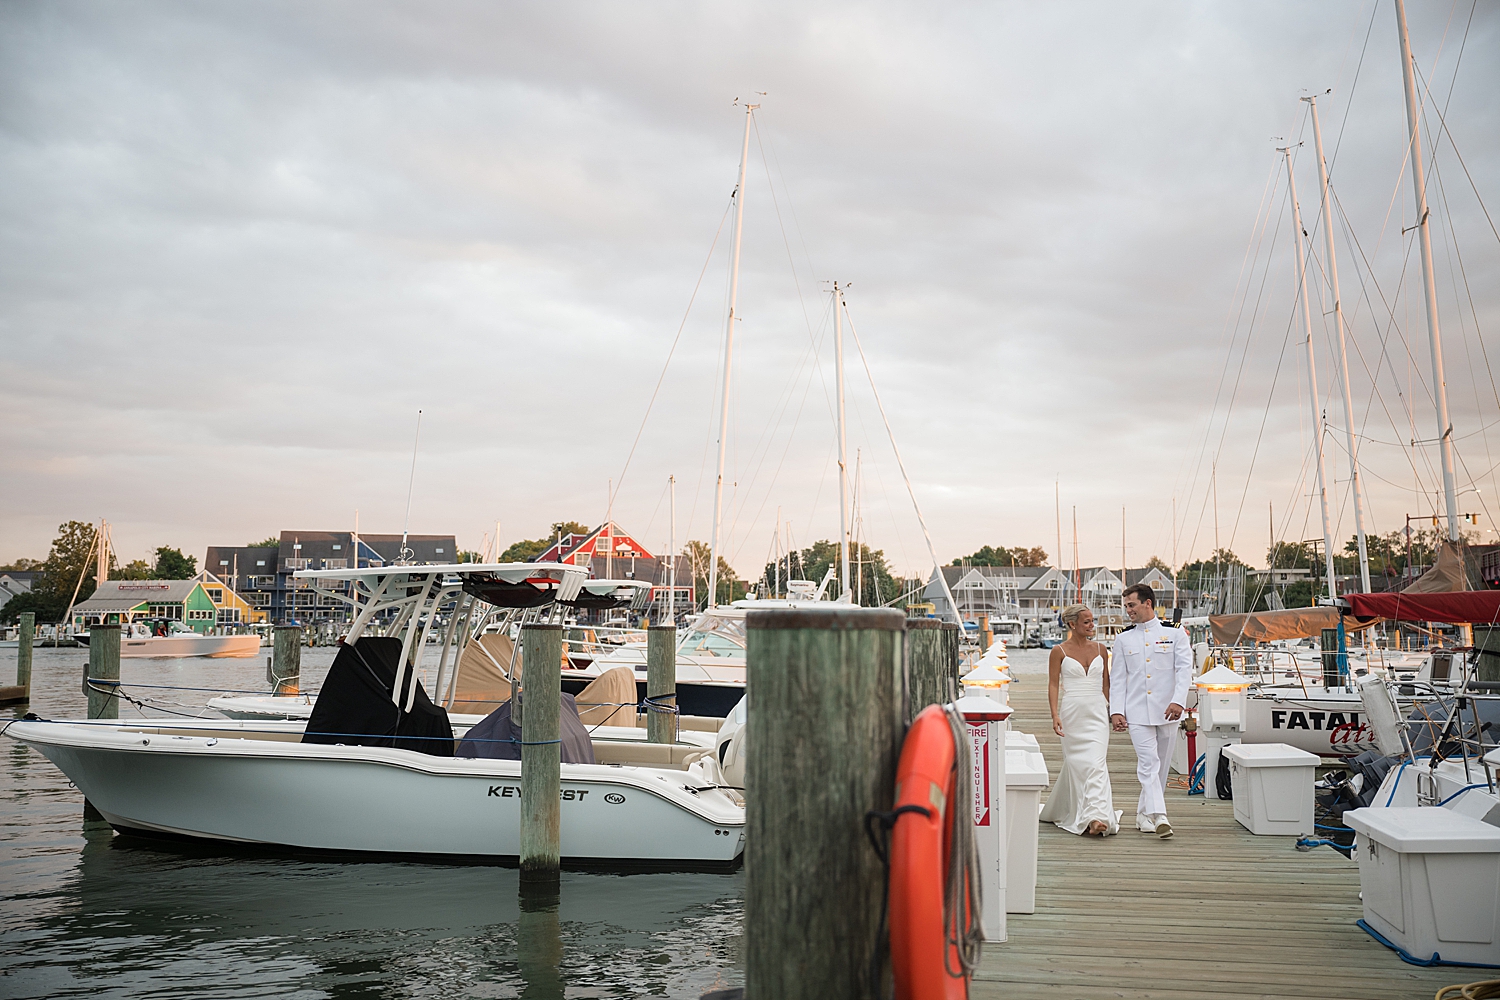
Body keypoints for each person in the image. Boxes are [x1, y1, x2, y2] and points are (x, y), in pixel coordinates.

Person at [1109, 583, 1192, 839]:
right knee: (1149, 764)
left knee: (1161, 767)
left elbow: (1183, 671)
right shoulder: (1123, 638)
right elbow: (1118, 678)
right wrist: (1116, 711)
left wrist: (1179, 701)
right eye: (1126, 606)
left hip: (1168, 711)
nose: (1128, 611)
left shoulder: (1175, 634)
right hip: (1136, 712)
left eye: (1131, 605)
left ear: (1147, 603)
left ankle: (1143, 815)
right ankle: (1160, 816)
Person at [1039, 604, 1117, 837]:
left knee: (1096, 763)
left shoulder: (1102, 649)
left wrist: (1111, 709)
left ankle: (1096, 816)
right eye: (1087, 621)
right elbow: (1053, 684)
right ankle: (1079, 810)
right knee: (1076, 764)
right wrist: (1055, 714)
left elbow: (1106, 683)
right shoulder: (1058, 651)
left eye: (1092, 621)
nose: (1092, 625)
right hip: (1072, 712)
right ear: (1072, 624)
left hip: (1097, 712)